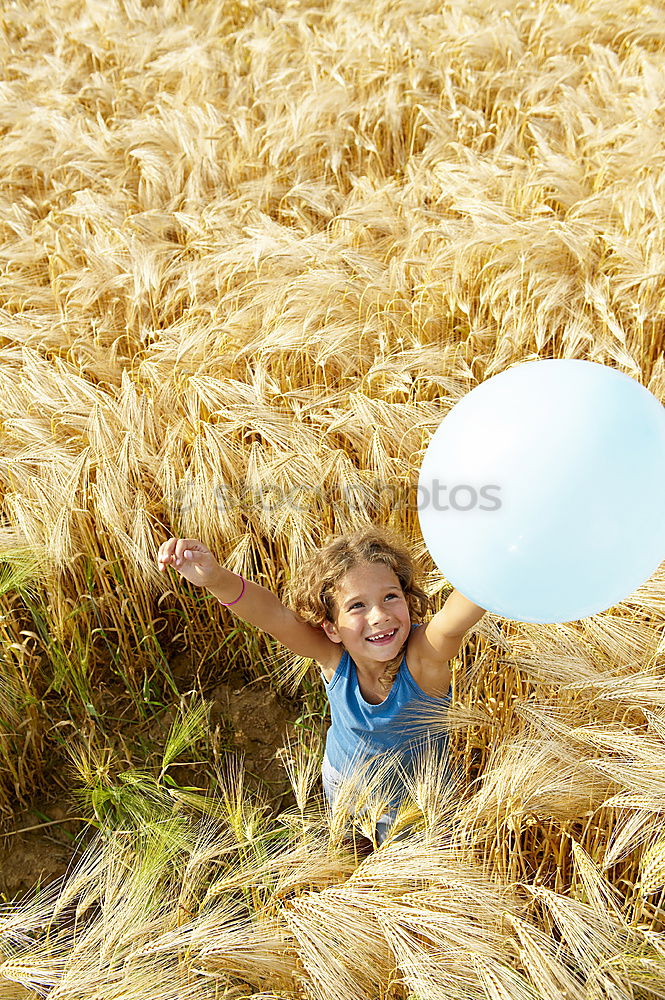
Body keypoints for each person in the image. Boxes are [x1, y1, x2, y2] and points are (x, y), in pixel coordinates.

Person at [157, 523, 485, 848]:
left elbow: (451, 623)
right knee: (349, 859)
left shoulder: (422, 662)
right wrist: (215, 578)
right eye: (357, 605)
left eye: (390, 597)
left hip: (419, 803)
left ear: (407, 599)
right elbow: (273, 616)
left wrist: (502, 559)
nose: (379, 616)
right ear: (331, 628)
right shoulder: (333, 657)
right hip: (344, 783)